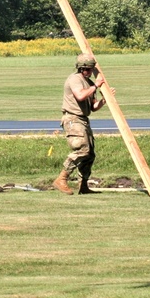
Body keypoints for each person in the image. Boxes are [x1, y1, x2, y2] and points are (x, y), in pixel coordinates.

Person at [54, 53, 108, 195]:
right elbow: (80, 95)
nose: (90, 72)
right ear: (81, 68)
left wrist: (104, 101)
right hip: (73, 119)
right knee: (82, 150)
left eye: (91, 69)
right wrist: (96, 85)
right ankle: (62, 178)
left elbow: (92, 107)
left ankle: (83, 186)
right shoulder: (75, 79)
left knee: (90, 154)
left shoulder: (89, 83)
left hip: (83, 119)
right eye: (88, 70)